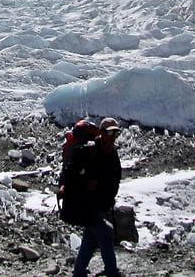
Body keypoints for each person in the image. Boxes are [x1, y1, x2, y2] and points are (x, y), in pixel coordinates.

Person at [60, 117, 123, 277]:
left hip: (102, 205)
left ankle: (79, 272)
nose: (113, 137)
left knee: (90, 239)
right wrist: (86, 182)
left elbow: (115, 177)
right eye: (110, 132)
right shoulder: (88, 151)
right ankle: (112, 273)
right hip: (87, 205)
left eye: (116, 133)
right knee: (106, 235)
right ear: (101, 133)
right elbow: (71, 174)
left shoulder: (112, 154)